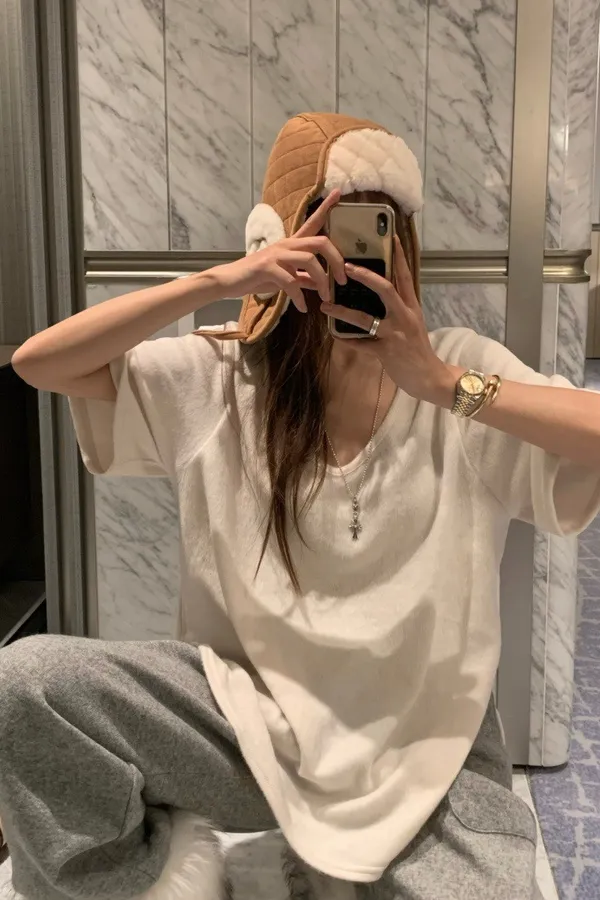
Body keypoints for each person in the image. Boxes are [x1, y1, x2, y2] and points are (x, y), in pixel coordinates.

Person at [3, 111, 600, 900]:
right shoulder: (223, 378)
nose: (347, 262)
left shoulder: (457, 375)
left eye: (373, 234)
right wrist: (224, 282)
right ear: (281, 238)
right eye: (324, 234)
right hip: (249, 722)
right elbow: (38, 363)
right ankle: (143, 879)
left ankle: (332, 864)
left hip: (424, 738)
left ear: (404, 248)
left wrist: (443, 384)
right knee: (26, 683)